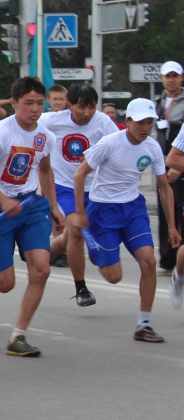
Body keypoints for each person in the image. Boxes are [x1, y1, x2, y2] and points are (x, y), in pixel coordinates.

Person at [0, 78, 63, 357]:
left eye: (39, 103)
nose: (34, 109)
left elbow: (45, 169)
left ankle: (18, 336)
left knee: (41, 270)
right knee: (5, 284)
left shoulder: (45, 136)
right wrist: (4, 200)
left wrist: (54, 206)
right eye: (28, 103)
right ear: (14, 103)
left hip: (31, 206)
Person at [76, 98, 177, 343]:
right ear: (128, 121)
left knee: (149, 262)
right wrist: (81, 212)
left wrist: (172, 226)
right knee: (114, 277)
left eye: (149, 122)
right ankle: (93, 245)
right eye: (140, 122)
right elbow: (80, 175)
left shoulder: (152, 147)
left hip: (133, 208)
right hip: (103, 210)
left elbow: (164, 187)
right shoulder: (109, 143)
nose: (145, 127)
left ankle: (143, 325)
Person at [40, 85, 117, 306]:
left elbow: (118, 144)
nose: (87, 112)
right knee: (75, 230)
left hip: (96, 188)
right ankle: (81, 288)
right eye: (82, 107)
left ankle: (41, 254)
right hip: (64, 187)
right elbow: (25, 126)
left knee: (72, 235)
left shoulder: (102, 122)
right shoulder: (52, 121)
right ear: (69, 105)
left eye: (92, 107)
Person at [155, 61, 184, 273]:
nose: (171, 80)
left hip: (178, 162)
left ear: (181, 78)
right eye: (167, 76)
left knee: (180, 212)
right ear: (162, 78)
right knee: (166, 211)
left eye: (175, 76)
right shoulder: (158, 102)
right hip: (161, 162)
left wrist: (179, 167)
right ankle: (167, 259)